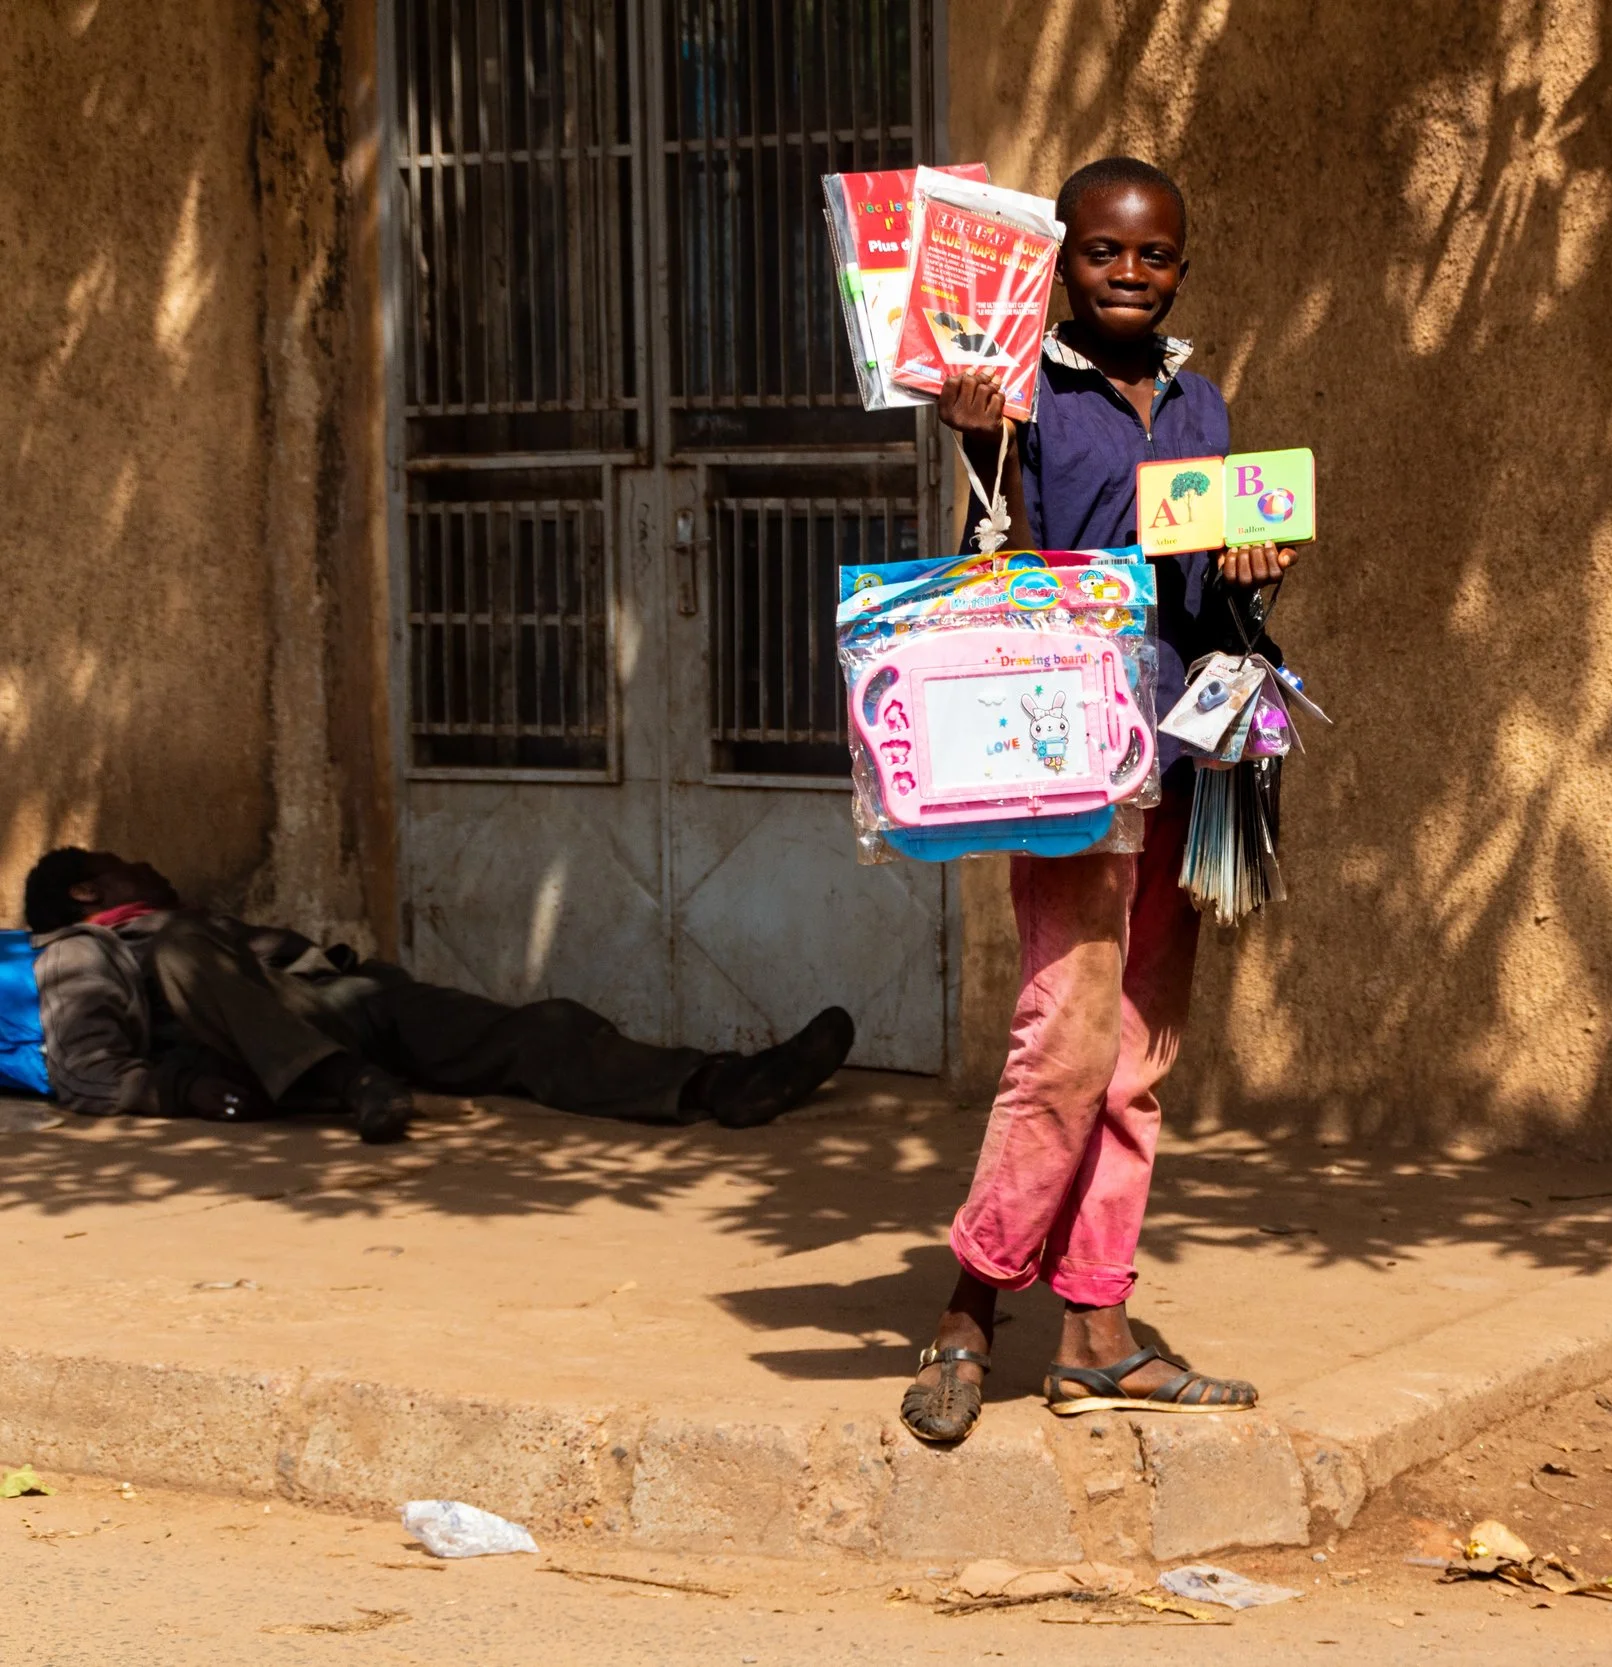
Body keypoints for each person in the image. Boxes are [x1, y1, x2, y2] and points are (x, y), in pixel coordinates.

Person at [898, 157, 1296, 1441]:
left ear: (1183, 265)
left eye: (1155, 253)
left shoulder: (1200, 398)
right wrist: (978, 439)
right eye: (1104, 251)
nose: (1130, 272)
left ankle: (1096, 1329)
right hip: (1066, 748)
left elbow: (1212, 573)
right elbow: (996, 549)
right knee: (1062, 1042)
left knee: (1138, 1056)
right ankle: (969, 1308)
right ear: (1061, 260)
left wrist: (1256, 561)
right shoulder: (1015, 390)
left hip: (1182, 747)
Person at [22, 847, 855, 1144]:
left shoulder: (191, 924)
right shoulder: (83, 948)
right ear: (89, 889)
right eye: (124, 863)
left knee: (537, 1029)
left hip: (348, 1006)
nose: (149, 866)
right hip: (280, 1056)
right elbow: (86, 1072)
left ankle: (715, 1083)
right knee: (181, 943)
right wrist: (187, 1089)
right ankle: (350, 1084)